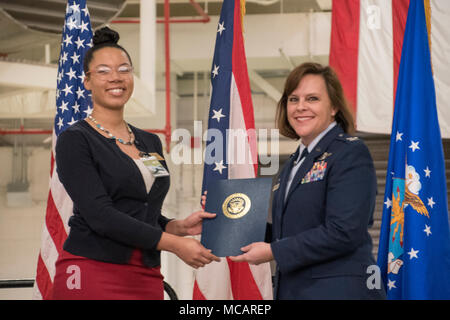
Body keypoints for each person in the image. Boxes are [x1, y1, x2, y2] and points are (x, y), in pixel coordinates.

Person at [51, 27, 219, 300]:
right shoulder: (76, 140)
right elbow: (101, 216)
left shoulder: (149, 142)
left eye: (124, 69)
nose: (115, 77)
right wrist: (174, 245)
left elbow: (141, 209)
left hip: (145, 273)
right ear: (86, 81)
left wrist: (178, 227)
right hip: (92, 270)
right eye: (103, 71)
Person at [230, 62, 386, 300]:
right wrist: (229, 215)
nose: (300, 107)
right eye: (293, 99)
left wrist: (273, 251)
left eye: (312, 98)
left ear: (333, 106)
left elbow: (344, 231)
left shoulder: (349, 153)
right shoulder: (294, 163)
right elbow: (289, 233)